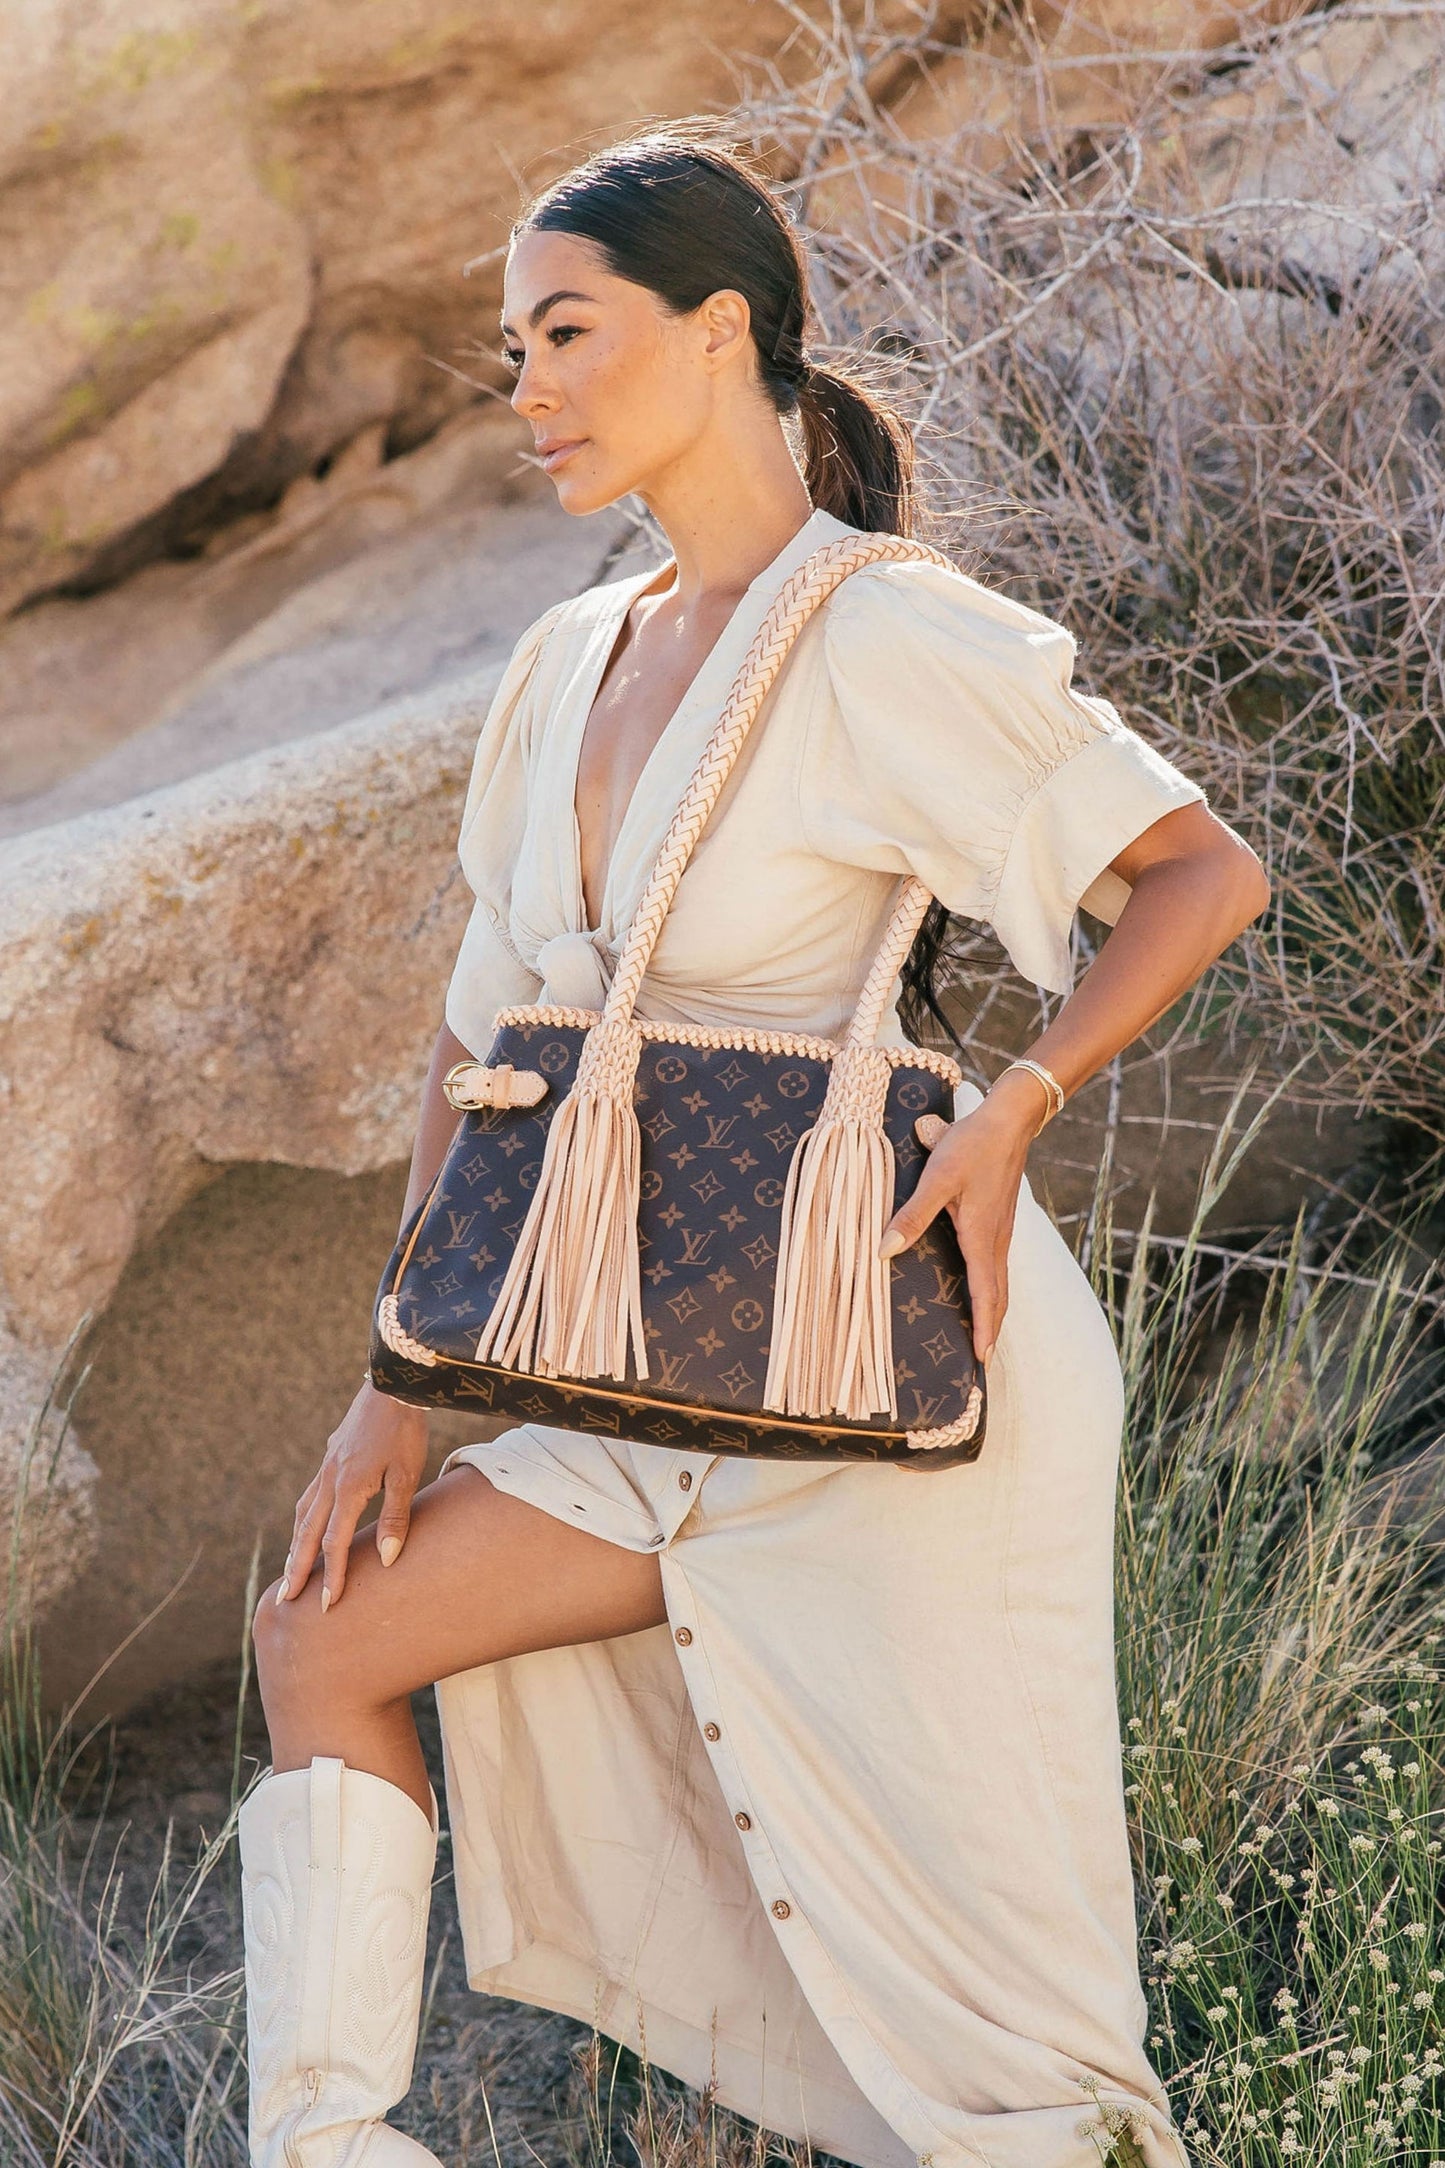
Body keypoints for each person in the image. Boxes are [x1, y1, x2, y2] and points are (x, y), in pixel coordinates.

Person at [240, 127, 1269, 2168]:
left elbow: (1197, 872)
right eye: (513, 347)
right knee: (326, 1629)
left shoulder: (887, 635)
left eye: (566, 332)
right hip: (647, 1353)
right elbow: (476, 1050)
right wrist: (396, 1389)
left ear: (720, 330)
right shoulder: (564, 663)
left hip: (891, 1371)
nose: (526, 386)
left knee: (1004, 2027)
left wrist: (1018, 1110)